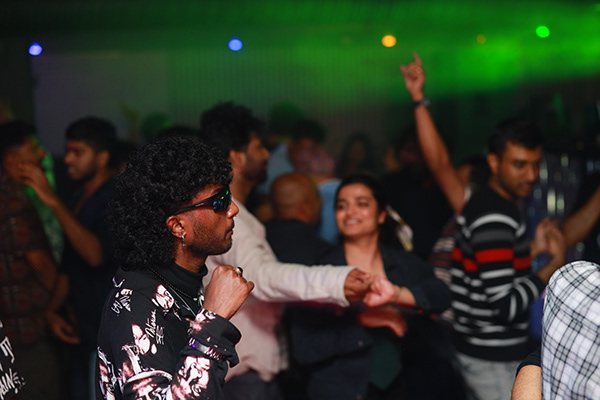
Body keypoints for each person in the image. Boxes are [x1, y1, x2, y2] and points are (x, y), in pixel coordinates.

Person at [198, 102, 389, 400]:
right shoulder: (228, 218)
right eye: (259, 147)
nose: (267, 155)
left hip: (249, 369)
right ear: (236, 156)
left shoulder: (239, 215)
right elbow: (261, 277)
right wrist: (337, 281)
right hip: (243, 374)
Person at [97, 135, 254, 400]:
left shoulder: (184, 284)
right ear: (178, 226)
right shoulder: (135, 303)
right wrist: (213, 321)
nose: (233, 209)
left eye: (228, 195)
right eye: (219, 201)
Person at [287, 173, 451, 400]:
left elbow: (441, 297)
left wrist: (398, 295)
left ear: (382, 215)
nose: (350, 212)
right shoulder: (321, 272)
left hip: (404, 387)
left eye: (362, 204)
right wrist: (361, 323)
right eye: (342, 206)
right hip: (342, 390)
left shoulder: (403, 263)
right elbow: (303, 349)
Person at [450, 117, 566, 400]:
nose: (531, 175)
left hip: (482, 352)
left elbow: (492, 263)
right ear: (493, 162)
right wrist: (553, 266)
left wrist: (533, 248)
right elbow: (505, 305)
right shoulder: (495, 216)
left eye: (535, 165)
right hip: (492, 358)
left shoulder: (490, 203)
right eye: (519, 165)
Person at [20, 116, 118, 399]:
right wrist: (53, 310)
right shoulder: (77, 197)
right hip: (81, 329)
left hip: (107, 329)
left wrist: (52, 201)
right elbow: (69, 263)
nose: (68, 160)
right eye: (68, 151)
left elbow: (95, 254)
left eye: (78, 152)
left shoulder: (115, 198)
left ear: (102, 158)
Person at [0, 121, 61, 399]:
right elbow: (39, 263)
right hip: (28, 328)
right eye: (34, 148)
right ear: (13, 160)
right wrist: (62, 303)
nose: (41, 155)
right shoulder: (12, 202)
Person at [265, 172, 330, 265]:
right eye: (318, 199)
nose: (321, 203)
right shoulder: (324, 254)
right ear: (306, 207)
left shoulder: (257, 238)